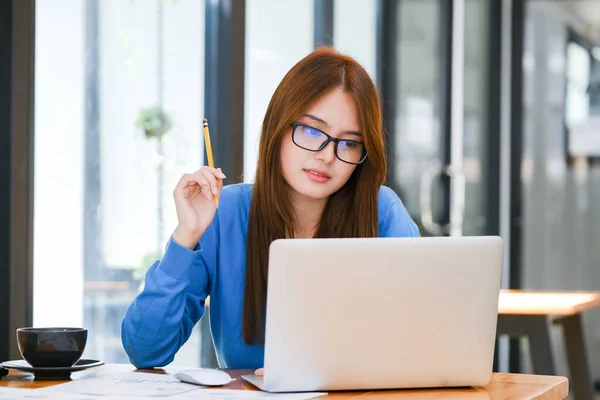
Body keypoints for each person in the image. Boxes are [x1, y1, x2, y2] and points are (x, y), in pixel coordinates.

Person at [121, 47, 420, 373]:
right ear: (277, 128)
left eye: (348, 142)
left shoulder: (383, 212)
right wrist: (186, 236)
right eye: (312, 131)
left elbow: (420, 341)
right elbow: (146, 350)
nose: (327, 156)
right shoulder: (225, 213)